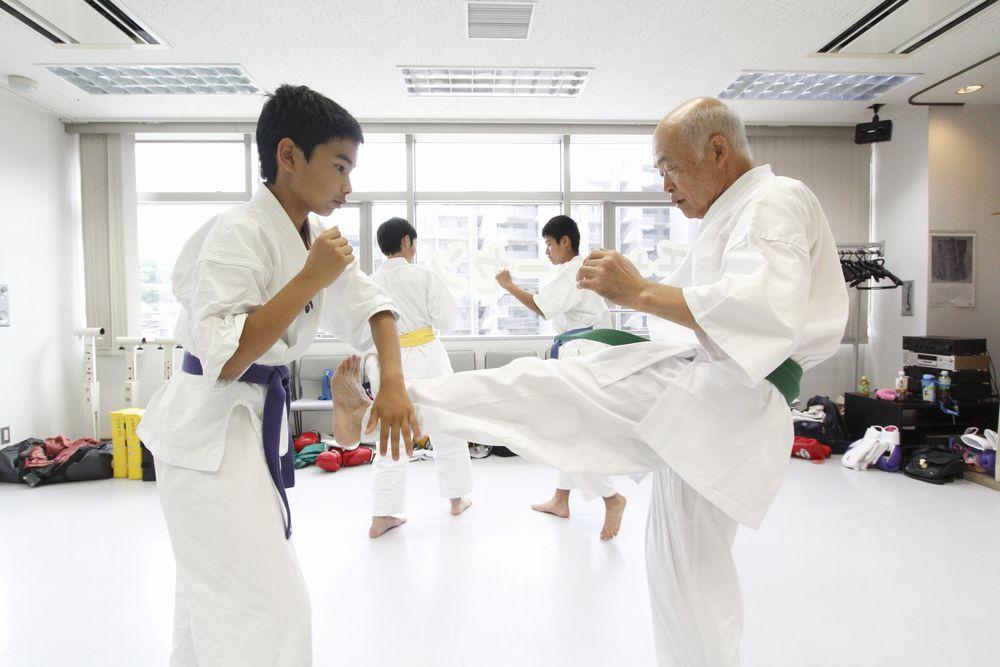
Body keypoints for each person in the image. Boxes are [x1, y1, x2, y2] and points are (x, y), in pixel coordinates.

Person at [333, 97, 848, 665]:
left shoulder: (774, 201)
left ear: (717, 151)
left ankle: (382, 409)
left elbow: (766, 309)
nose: (664, 185)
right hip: (714, 396)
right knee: (683, 576)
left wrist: (640, 292)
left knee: (544, 393)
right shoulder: (734, 213)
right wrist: (634, 303)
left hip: (730, 395)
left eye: (668, 167)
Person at [137, 84, 419, 667]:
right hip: (207, 434)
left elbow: (375, 308)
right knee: (268, 610)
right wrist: (310, 281)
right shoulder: (238, 232)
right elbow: (229, 356)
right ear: (288, 155)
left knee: (207, 605)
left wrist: (391, 382)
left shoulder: (311, 241)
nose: (348, 186)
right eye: (339, 166)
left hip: (242, 431)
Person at [495, 215, 626, 541]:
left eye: (549, 244)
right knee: (570, 426)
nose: (547, 252)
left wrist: (509, 285)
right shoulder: (572, 271)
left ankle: (612, 497)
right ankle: (561, 499)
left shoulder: (574, 271)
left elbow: (542, 307)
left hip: (582, 352)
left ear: (565, 241)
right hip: (580, 349)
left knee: (571, 430)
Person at [366, 217, 474, 538]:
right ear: (405, 241)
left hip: (390, 360)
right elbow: (446, 318)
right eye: (413, 242)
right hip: (428, 356)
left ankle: (382, 515)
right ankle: (456, 499)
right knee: (447, 427)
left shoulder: (371, 283)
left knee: (392, 434)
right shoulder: (424, 276)